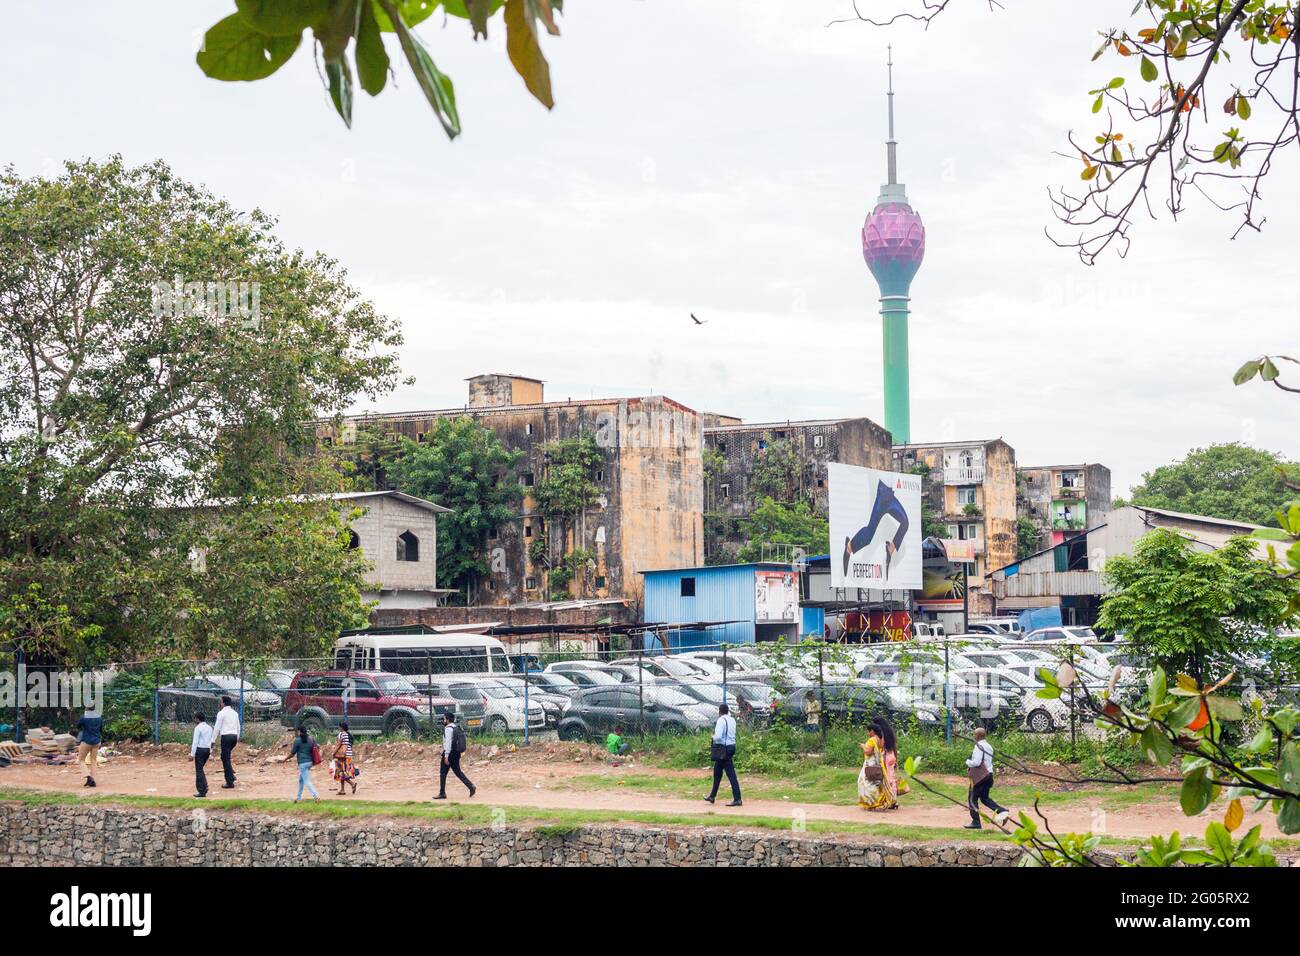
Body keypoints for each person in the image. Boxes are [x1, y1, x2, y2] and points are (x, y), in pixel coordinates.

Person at [965, 727, 1010, 829]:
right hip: (989, 775)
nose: (973, 736)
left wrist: (968, 762)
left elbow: (976, 762)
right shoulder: (989, 746)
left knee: (972, 799)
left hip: (979, 777)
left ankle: (976, 822)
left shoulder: (979, 746)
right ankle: (1002, 811)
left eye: (974, 735)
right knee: (984, 798)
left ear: (978, 736)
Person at [704, 704, 741, 807]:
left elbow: (719, 736)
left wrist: (713, 737)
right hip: (731, 746)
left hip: (723, 749)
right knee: (717, 772)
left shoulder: (721, 720)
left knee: (731, 774)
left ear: (719, 712)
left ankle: (737, 799)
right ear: (727, 711)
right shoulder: (732, 720)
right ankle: (712, 796)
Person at [434, 713, 476, 800]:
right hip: (456, 753)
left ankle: (442, 793)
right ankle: (471, 786)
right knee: (458, 772)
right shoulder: (455, 727)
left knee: (443, 772)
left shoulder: (448, 729)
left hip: (449, 754)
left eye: (444, 719)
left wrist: (446, 756)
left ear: (448, 720)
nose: (443, 720)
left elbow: (448, 743)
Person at [872, 717, 907, 807]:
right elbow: (894, 746)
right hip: (891, 756)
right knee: (891, 778)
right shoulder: (890, 732)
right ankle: (894, 800)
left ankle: (889, 800)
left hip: (885, 757)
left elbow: (881, 745)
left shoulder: (881, 734)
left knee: (885, 779)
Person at [857, 723, 891, 810]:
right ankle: (879, 801)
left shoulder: (872, 739)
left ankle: (872, 802)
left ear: (872, 731)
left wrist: (863, 746)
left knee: (865, 783)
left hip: (870, 763)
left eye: (868, 731)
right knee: (876, 782)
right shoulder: (880, 740)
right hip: (878, 763)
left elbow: (868, 752)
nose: (868, 733)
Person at [211, 695, 240, 789]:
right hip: (234, 736)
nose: (220, 703)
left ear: (223, 703)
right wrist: (237, 738)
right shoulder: (234, 713)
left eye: (221, 702)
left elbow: (217, 727)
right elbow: (238, 726)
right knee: (224, 757)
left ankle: (229, 782)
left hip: (226, 737)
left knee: (225, 758)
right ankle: (231, 775)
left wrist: (213, 740)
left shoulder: (221, 713)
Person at [74, 707, 104, 788]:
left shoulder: (84, 718)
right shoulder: (99, 718)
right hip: (97, 741)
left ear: (86, 709)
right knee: (93, 760)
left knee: (81, 760)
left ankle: (88, 777)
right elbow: (101, 730)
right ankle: (92, 780)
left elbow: (78, 726)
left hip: (86, 741)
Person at [290, 726, 320, 803]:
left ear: (299, 732)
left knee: (307, 781)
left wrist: (284, 759)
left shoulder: (297, 740)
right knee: (301, 780)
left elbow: (292, 753)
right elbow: (317, 747)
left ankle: (316, 797)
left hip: (303, 763)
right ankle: (298, 798)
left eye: (296, 731)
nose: (295, 733)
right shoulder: (311, 739)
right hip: (310, 762)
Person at [190, 712, 213, 798]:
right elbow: (211, 740)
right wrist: (210, 750)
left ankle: (202, 790)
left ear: (197, 719)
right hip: (207, 750)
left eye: (195, 718)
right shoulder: (209, 728)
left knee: (199, 770)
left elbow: (195, 742)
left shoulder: (198, 728)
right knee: (200, 769)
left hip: (200, 750)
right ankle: (204, 787)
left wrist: (192, 754)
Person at [333, 721, 358, 795]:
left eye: (339, 727)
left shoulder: (343, 734)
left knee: (341, 772)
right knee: (342, 772)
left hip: (343, 756)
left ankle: (352, 784)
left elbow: (339, 745)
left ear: (341, 727)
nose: (338, 728)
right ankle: (342, 790)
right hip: (348, 756)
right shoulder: (348, 734)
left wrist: (334, 753)